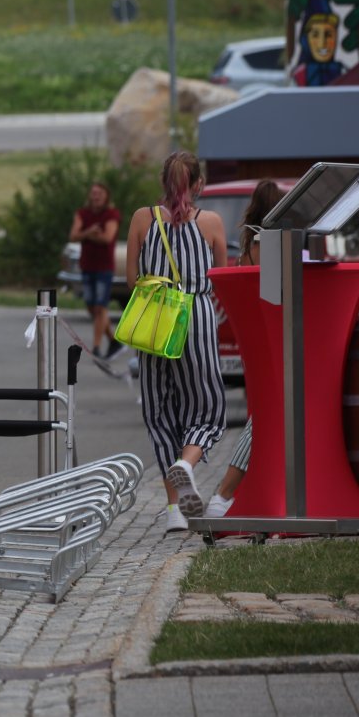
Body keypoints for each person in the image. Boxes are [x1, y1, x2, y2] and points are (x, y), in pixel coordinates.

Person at [124, 151, 227, 533]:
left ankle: (174, 510)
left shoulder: (142, 219)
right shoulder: (211, 223)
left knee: (160, 411)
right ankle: (187, 462)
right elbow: (221, 280)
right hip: (196, 315)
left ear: (163, 182)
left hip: (154, 320)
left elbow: (131, 281)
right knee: (207, 409)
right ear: (199, 184)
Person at [205, 180, 284, 519]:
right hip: (273, 333)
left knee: (266, 412)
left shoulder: (248, 242)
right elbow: (275, 289)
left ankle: (236, 491)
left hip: (253, 336)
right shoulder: (271, 241)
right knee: (267, 415)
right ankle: (224, 493)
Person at [70, 182, 121, 359]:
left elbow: (107, 237)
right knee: (91, 307)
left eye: (100, 193)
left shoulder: (112, 214)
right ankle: (113, 341)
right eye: (93, 193)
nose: (96, 196)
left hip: (104, 267)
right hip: (87, 266)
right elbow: (73, 235)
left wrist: (86, 234)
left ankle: (97, 347)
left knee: (100, 307)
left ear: (106, 196)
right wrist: (90, 232)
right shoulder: (82, 213)